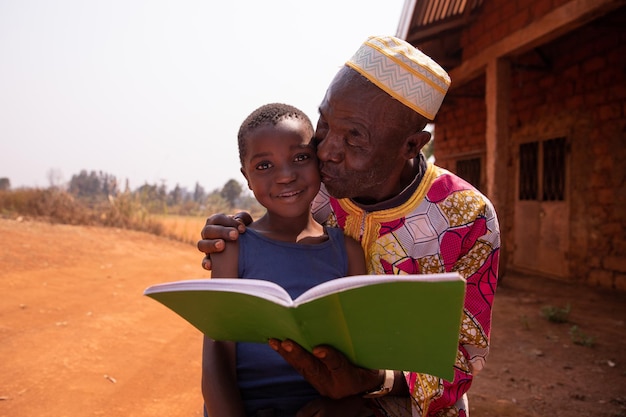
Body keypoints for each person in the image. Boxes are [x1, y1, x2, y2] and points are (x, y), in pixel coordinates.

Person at [198, 36, 501, 417]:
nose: (326, 150)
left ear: (411, 146)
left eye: (354, 137)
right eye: (325, 122)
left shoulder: (465, 217)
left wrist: (372, 384)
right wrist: (232, 229)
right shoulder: (315, 185)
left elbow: (462, 355)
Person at [202, 102, 369, 417]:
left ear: (318, 160)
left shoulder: (346, 251)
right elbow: (217, 357)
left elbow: (358, 355)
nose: (285, 176)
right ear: (246, 177)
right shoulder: (234, 248)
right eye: (264, 166)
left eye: (300, 158)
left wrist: (344, 406)